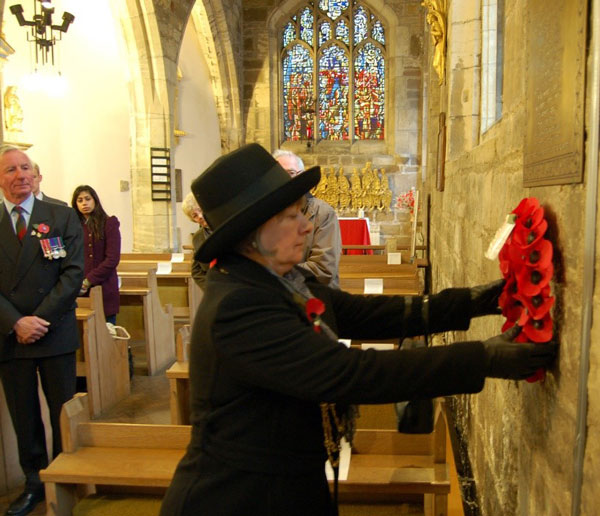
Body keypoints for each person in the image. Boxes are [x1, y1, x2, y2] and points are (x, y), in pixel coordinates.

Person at [160, 143, 557, 516]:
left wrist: (479, 300)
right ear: (251, 236)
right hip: (237, 498)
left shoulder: (282, 280)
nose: (305, 226)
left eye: (302, 211)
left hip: (285, 484)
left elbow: (370, 314)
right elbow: (350, 374)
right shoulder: (239, 305)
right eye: (290, 216)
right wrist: (482, 358)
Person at [0, 145, 83, 516]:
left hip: (54, 331)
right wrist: (15, 322)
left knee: (61, 410)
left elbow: (73, 273)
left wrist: (39, 320)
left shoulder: (61, 216)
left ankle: (67, 477)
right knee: (24, 414)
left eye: (25, 168)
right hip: (9, 335)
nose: (20, 175)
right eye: (10, 170)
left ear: (35, 174)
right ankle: (34, 483)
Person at [273, 149, 342, 288]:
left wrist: (271, 274)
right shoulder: (268, 213)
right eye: (278, 174)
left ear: (301, 176)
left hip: (316, 296)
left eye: (290, 173)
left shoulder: (322, 213)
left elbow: (322, 269)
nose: (284, 180)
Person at [71, 185, 121, 325]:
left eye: (88, 199)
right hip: (79, 288)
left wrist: (89, 280)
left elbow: (112, 259)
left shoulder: (108, 223)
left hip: (103, 285)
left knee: (107, 332)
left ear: (95, 200)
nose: (84, 203)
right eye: (80, 200)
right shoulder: (73, 225)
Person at [182, 191, 212, 289]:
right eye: (195, 215)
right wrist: (209, 288)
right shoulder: (197, 238)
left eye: (200, 210)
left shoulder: (226, 226)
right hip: (214, 286)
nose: (200, 216)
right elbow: (196, 270)